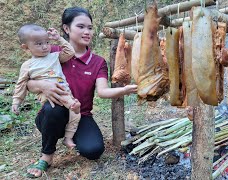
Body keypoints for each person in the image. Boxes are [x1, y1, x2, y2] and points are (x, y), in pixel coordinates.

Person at [25, 7, 138, 178]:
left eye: (90, 28)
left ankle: (68, 136)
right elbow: (26, 81)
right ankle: (46, 156)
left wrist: (124, 90)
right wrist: (41, 84)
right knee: (53, 110)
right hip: (54, 112)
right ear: (66, 29)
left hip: (81, 115)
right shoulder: (52, 52)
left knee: (94, 150)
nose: (87, 32)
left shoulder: (98, 62)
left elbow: (102, 91)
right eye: (81, 27)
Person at [12, 24, 81, 149]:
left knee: (76, 111)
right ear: (26, 47)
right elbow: (21, 84)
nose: (45, 46)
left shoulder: (54, 57)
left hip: (64, 92)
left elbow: (70, 52)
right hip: (46, 96)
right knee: (54, 110)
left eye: (47, 42)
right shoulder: (28, 65)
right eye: (39, 44)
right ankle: (48, 151)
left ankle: (68, 137)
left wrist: (58, 38)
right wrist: (16, 102)